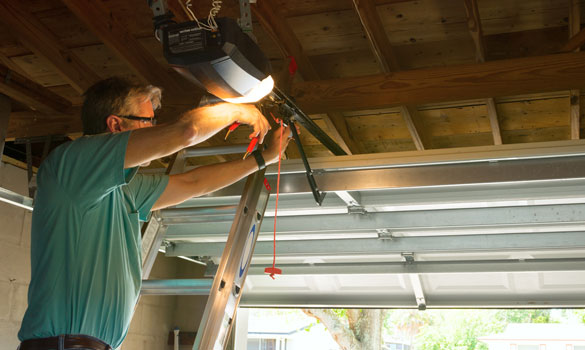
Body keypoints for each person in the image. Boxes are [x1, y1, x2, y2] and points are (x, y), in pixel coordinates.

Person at [17, 77, 291, 350]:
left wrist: (263, 158)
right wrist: (238, 109)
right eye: (147, 121)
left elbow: (192, 183)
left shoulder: (125, 187)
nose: (154, 128)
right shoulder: (72, 166)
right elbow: (186, 132)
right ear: (115, 124)